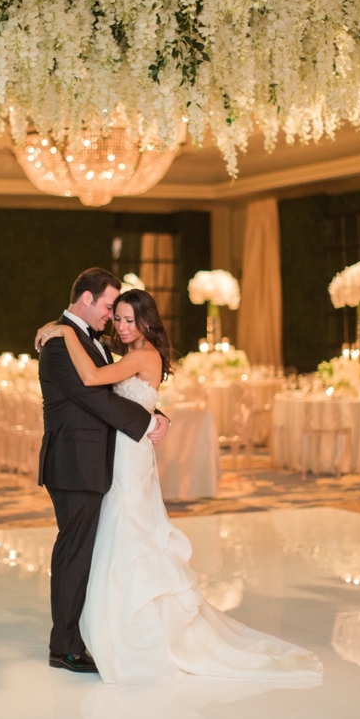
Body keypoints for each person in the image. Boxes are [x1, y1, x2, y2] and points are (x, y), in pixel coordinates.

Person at [37, 287, 323, 686]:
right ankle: (99, 631)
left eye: (127, 319)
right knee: (113, 539)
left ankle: (134, 633)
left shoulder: (134, 352)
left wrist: (63, 332)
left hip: (125, 456)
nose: (118, 325)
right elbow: (112, 395)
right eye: (114, 316)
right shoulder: (123, 350)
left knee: (128, 535)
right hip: (112, 455)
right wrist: (155, 415)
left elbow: (93, 381)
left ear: (146, 322)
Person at [36, 268, 170, 674]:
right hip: (75, 463)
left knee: (92, 550)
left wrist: (154, 411)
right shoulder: (62, 343)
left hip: (94, 462)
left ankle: (89, 633)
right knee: (74, 552)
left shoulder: (80, 339)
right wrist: (147, 423)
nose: (113, 318)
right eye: (110, 308)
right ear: (87, 300)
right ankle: (65, 646)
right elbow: (95, 398)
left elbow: (115, 389)